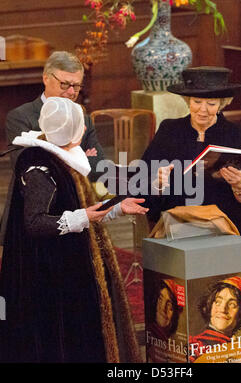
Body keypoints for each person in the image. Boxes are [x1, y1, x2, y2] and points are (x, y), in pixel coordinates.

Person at [0, 97, 148, 363]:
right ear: (72, 130)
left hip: (71, 265)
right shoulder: (39, 168)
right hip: (51, 276)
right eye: (82, 125)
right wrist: (82, 216)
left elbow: (82, 209)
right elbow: (35, 222)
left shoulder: (64, 156)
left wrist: (116, 208)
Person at [141, 66, 241, 238]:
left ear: (222, 103)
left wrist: (240, 187)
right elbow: (142, 183)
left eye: (211, 104)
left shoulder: (237, 133)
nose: (203, 109)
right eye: (197, 102)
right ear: (187, 100)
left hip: (224, 224)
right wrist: (158, 184)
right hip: (178, 223)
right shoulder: (169, 130)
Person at [0, 51, 105, 245]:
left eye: (76, 86)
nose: (71, 92)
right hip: (32, 218)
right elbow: (26, 166)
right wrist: (79, 154)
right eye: (65, 84)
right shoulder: (20, 117)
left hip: (78, 213)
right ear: (46, 78)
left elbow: (99, 165)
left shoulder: (84, 117)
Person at [189, 276, 241, 362]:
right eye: (217, 302)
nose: (223, 310)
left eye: (232, 304)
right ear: (209, 307)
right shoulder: (195, 345)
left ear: (240, 313)